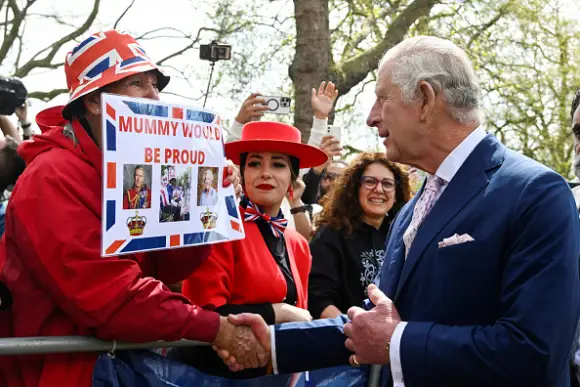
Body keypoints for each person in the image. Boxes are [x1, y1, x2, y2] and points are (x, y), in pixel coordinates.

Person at [215, 36, 580, 387]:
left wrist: (398, 342)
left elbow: (536, 352)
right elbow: (369, 322)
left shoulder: (535, 192)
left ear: (424, 98)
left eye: (381, 99)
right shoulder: (411, 210)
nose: (371, 118)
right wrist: (274, 343)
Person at [0, 30, 266, 387]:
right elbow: (111, 298)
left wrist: (208, 205)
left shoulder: (130, 163)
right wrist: (214, 329)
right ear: (94, 101)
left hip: (123, 354)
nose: (155, 97)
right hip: (70, 371)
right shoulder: (51, 177)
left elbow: (168, 267)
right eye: (137, 84)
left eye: (155, 84)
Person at [178, 121, 327, 378]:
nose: (265, 173)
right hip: (209, 377)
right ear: (243, 173)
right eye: (255, 163)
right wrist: (279, 312)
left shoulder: (299, 244)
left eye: (278, 164)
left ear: (293, 180)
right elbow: (203, 313)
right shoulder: (218, 229)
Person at [308, 152, 410, 320]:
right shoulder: (332, 233)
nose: (379, 189)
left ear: (397, 192)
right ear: (355, 188)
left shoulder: (403, 235)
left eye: (387, 183)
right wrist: (354, 332)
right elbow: (318, 298)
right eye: (370, 182)